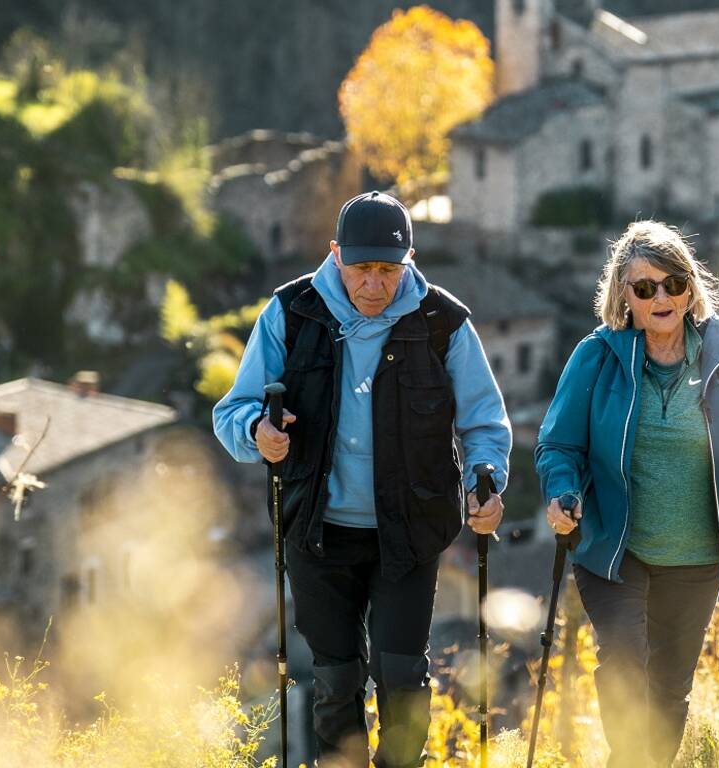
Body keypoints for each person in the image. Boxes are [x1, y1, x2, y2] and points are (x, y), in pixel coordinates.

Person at [213, 190, 510, 768]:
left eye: (388, 270)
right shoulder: (290, 313)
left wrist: (488, 482)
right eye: (362, 269)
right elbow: (233, 410)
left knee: (402, 677)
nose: (375, 284)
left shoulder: (443, 323)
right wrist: (257, 432)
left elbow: (484, 423)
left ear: (410, 261)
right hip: (317, 531)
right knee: (335, 682)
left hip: (410, 530)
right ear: (335, 255)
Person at [535, 220, 719, 767]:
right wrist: (561, 492)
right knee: (625, 665)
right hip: (613, 549)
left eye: (672, 283)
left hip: (696, 556)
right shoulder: (597, 356)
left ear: (690, 287)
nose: (661, 297)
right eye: (644, 287)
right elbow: (559, 445)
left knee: (670, 691)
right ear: (622, 295)